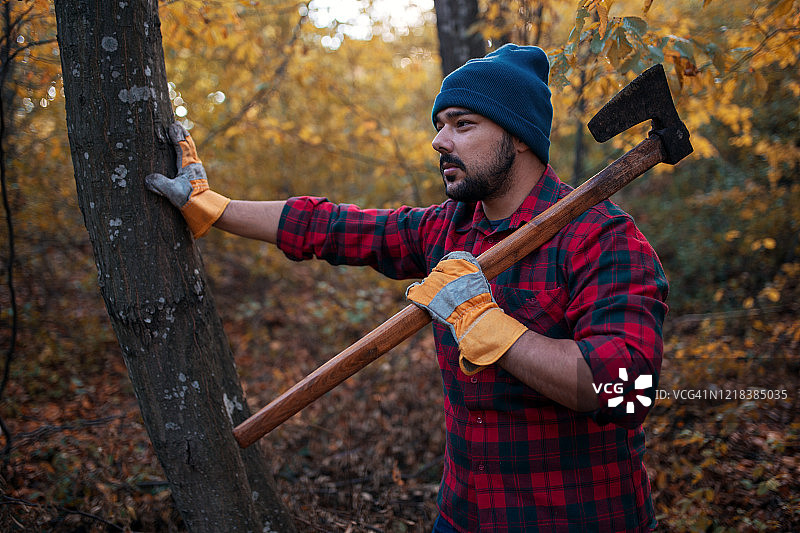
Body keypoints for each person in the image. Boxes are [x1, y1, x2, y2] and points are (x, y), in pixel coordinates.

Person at [147, 44, 668, 532]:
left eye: (463, 125)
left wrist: (487, 326)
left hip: (577, 519)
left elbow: (623, 389)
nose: (440, 141)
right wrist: (214, 208)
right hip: (463, 514)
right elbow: (333, 227)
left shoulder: (604, 241)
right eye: (440, 126)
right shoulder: (449, 229)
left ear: (520, 136)